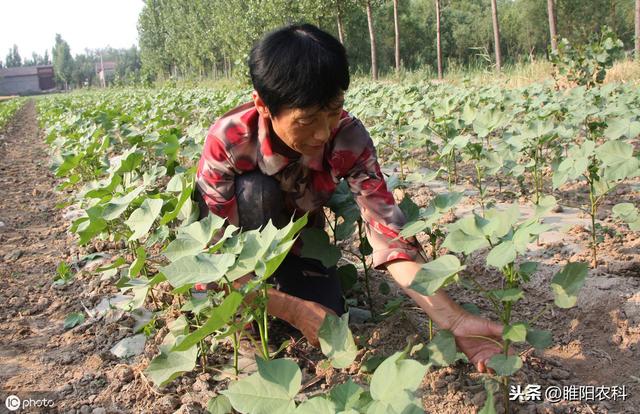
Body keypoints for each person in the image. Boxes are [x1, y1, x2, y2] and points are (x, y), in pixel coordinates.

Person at [195, 23, 506, 373]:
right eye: (307, 120)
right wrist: (292, 309)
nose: (324, 132)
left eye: (333, 110)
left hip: (298, 240)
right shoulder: (230, 139)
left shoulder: (348, 138)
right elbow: (213, 261)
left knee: (329, 313)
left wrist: (455, 320)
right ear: (263, 104)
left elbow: (390, 237)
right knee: (256, 192)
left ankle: (284, 285)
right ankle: (249, 323)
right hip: (239, 246)